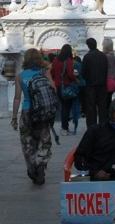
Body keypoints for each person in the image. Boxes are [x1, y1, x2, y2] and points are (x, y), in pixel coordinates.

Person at [12, 48, 54, 185]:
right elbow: (53, 89)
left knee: (27, 142)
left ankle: (31, 168)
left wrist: (13, 117)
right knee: (45, 140)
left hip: (26, 111)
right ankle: (41, 164)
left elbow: (17, 97)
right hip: (42, 112)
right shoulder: (45, 72)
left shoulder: (20, 76)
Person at [73, 96, 115, 180]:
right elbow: (79, 158)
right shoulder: (95, 131)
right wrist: (95, 172)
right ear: (110, 113)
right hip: (93, 178)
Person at [50, 43, 79, 134]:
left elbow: (52, 73)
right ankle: (64, 127)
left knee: (63, 106)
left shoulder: (55, 61)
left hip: (59, 86)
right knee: (67, 107)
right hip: (67, 86)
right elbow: (70, 74)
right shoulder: (68, 60)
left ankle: (64, 127)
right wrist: (75, 79)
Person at [80, 37, 108, 129]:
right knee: (102, 107)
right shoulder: (103, 56)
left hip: (91, 85)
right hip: (102, 85)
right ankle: (103, 126)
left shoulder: (87, 57)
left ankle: (92, 127)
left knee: (91, 108)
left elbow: (83, 72)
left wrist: (87, 79)